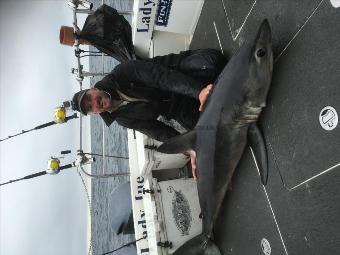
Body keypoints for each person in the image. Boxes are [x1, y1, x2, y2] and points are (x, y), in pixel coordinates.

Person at [71, 49, 226, 142]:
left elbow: (163, 78)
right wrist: (188, 147)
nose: (94, 103)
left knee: (213, 63)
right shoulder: (122, 119)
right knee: (214, 133)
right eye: (90, 107)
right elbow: (157, 131)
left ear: (92, 88)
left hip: (180, 72)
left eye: (89, 98)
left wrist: (198, 91)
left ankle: (208, 91)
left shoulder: (122, 72)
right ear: (95, 113)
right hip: (177, 108)